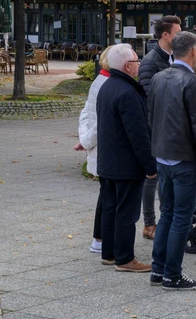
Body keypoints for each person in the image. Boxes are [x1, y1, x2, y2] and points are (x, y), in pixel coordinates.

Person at [147, 31, 196, 291]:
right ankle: (172, 274)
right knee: (181, 218)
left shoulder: (158, 77)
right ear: (194, 52)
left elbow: (151, 117)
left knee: (167, 214)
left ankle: (158, 269)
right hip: (184, 158)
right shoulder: (192, 81)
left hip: (163, 155)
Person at [95, 44, 156, 272]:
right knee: (127, 212)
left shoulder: (108, 86)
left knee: (110, 207)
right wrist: (149, 165)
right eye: (136, 61)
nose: (139, 64)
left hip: (109, 161)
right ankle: (125, 258)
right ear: (127, 65)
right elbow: (138, 134)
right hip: (126, 163)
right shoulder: (128, 91)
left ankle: (109, 254)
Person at [138, 14, 182, 241]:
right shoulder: (151, 62)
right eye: (177, 32)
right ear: (165, 35)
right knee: (153, 176)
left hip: (169, 128)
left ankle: (167, 218)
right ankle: (149, 224)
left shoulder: (173, 58)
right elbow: (149, 96)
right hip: (155, 128)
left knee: (165, 176)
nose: (181, 35)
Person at [73, 46, 113, 254]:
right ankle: (100, 239)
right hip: (103, 148)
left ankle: (99, 238)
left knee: (105, 195)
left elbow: (87, 112)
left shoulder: (100, 80)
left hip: (98, 146)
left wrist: (85, 139)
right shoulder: (106, 83)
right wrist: (87, 141)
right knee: (107, 196)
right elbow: (99, 119)